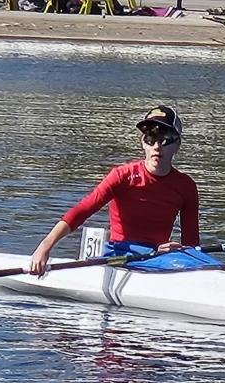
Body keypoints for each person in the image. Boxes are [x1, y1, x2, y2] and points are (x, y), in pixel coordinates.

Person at [30, 105, 200, 276]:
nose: (157, 146)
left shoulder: (186, 186)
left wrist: (180, 250)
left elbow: (192, 244)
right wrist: (45, 246)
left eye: (165, 139)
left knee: (202, 260)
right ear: (143, 143)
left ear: (177, 145)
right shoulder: (122, 176)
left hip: (158, 255)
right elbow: (81, 211)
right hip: (120, 253)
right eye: (151, 138)